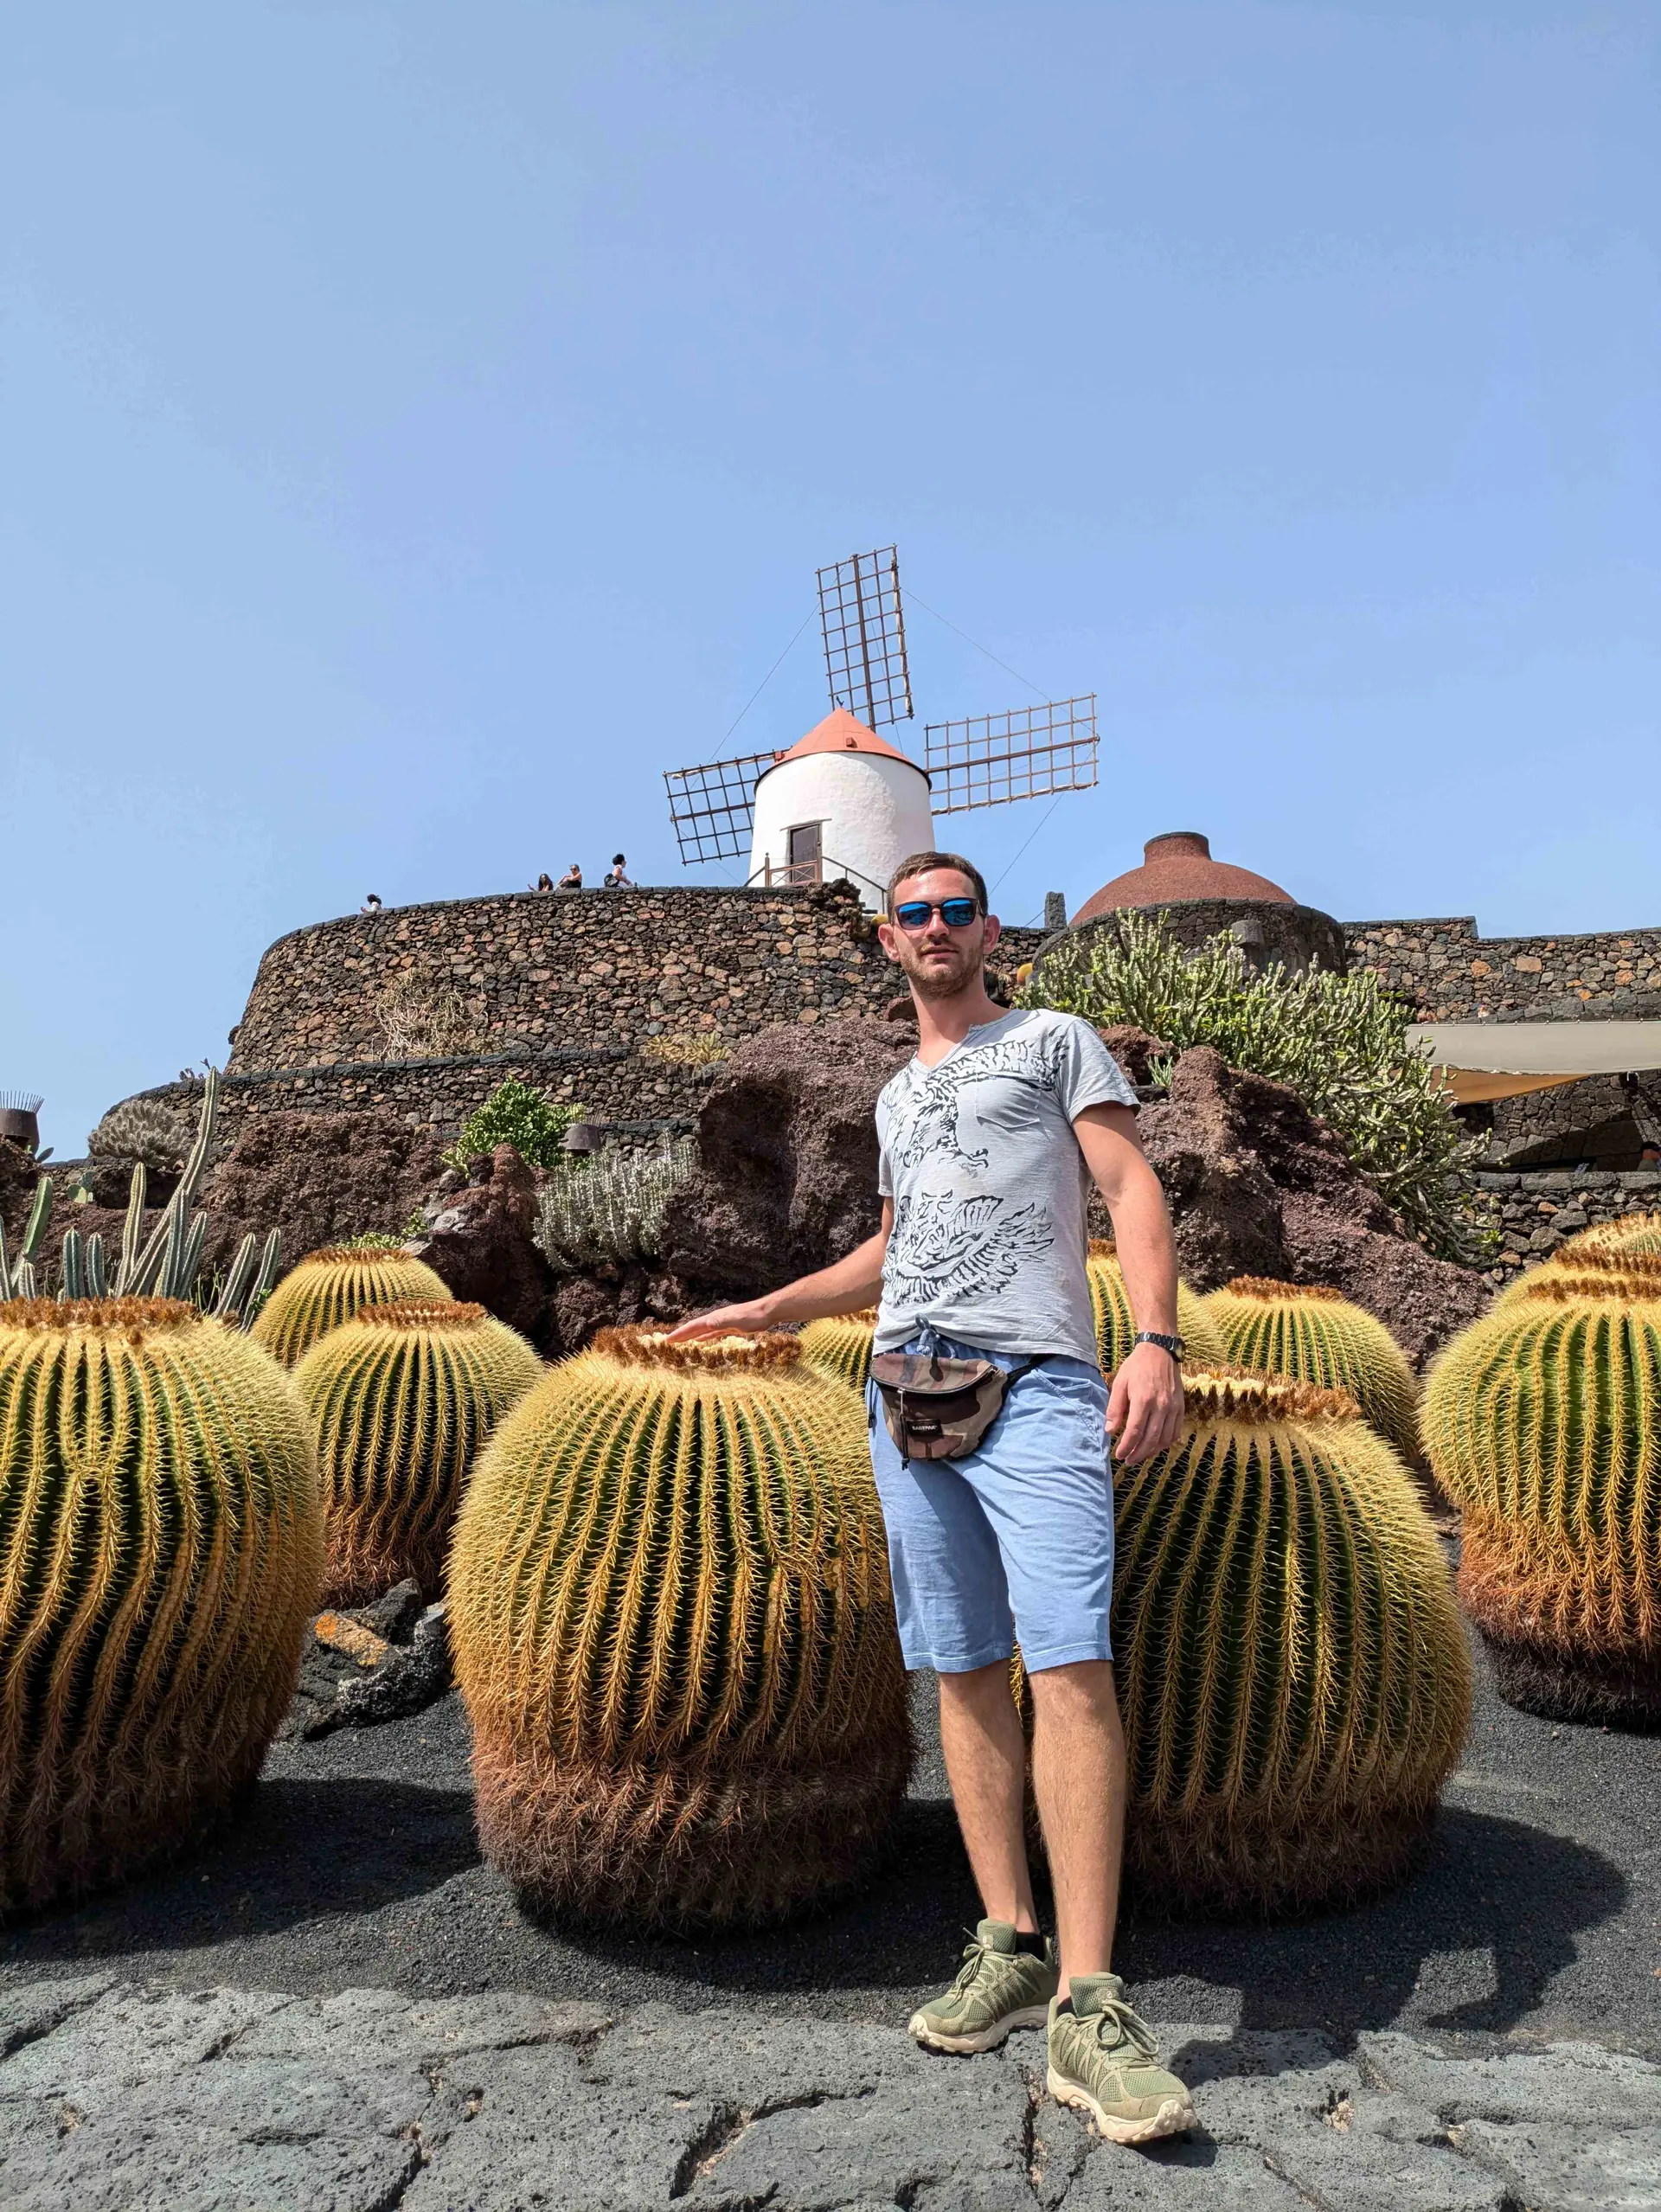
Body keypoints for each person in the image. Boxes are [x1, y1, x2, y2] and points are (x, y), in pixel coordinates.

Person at [670, 850, 1195, 2145]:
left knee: (1070, 1664)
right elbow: (896, 1247)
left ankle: (1089, 2001)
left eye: (957, 910)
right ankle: (1008, 1943)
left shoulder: (1053, 1042)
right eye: (914, 914)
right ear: (889, 940)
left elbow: (1128, 1184)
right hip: (907, 1390)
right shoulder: (898, 1095)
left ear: (988, 929)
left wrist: (1154, 1342)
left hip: (1040, 1382)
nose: (937, 928)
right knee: (960, 1668)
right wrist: (775, 1305)